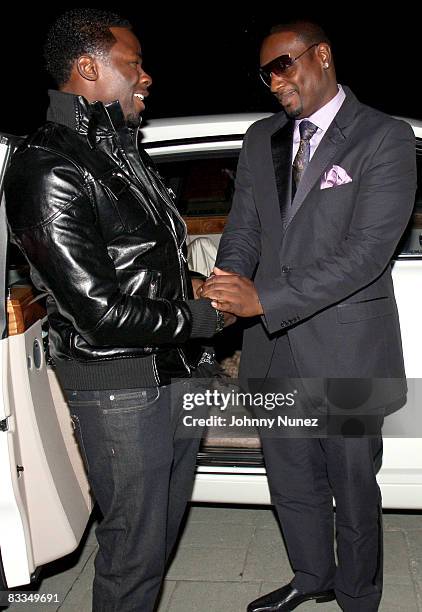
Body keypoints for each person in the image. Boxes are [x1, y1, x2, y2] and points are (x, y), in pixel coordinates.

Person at [5, 9, 232, 612]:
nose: (147, 77)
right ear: (87, 68)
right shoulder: (47, 163)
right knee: (133, 552)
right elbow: (95, 310)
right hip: (120, 387)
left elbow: (144, 262)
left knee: (155, 541)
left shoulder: (120, 154)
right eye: (133, 63)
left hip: (173, 370)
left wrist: (202, 286)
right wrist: (204, 318)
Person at [201, 20, 417, 612]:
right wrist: (226, 287)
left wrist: (265, 299)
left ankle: (357, 596)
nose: (275, 82)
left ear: (322, 55)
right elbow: (243, 229)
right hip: (274, 349)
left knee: (351, 485)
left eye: (284, 65)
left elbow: (367, 254)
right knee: (291, 478)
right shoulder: (261, 139)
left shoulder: (383, 136)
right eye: (265, 72)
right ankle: (311, 576)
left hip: (347, 346)